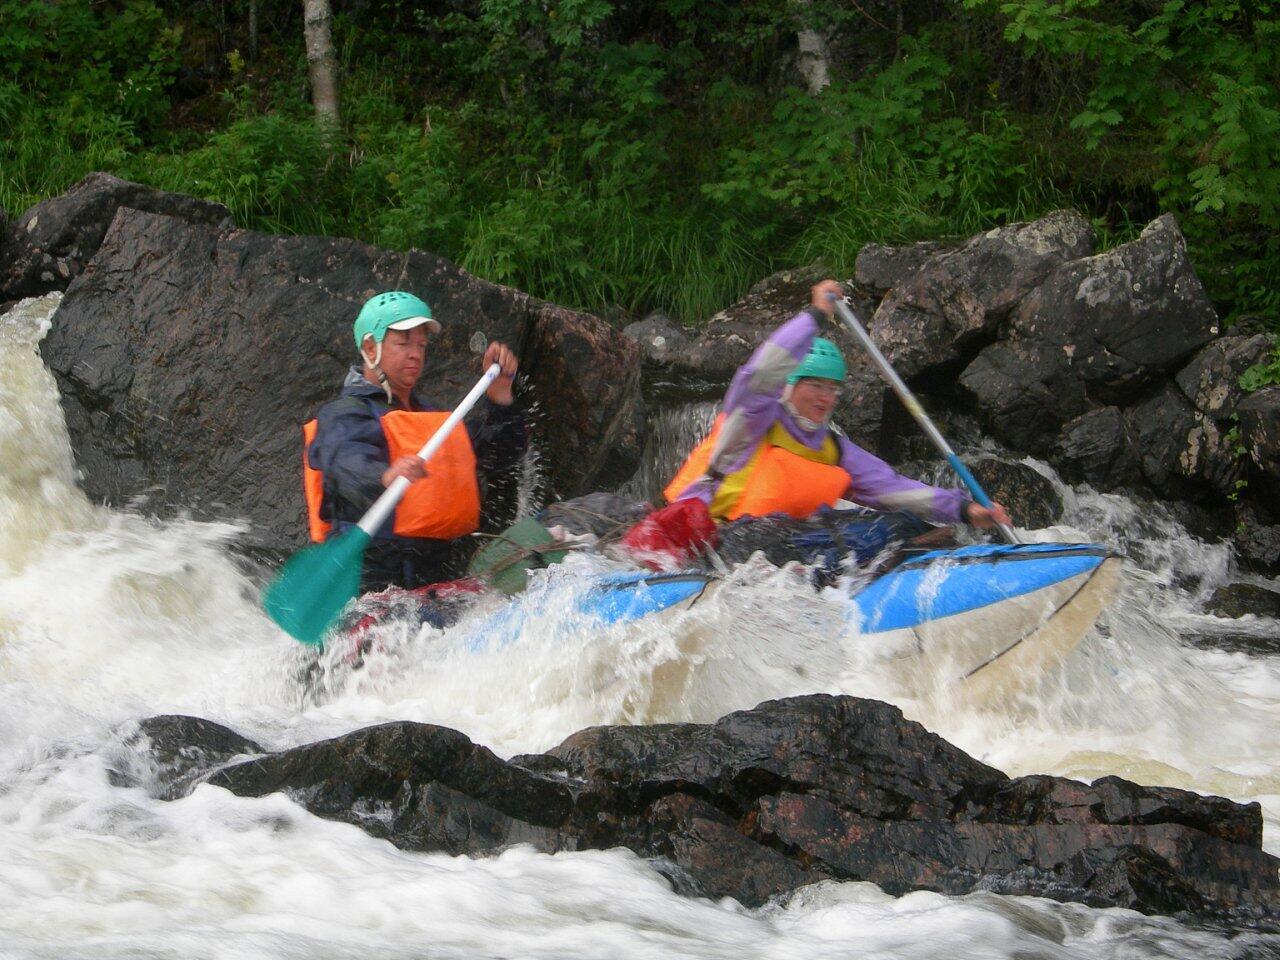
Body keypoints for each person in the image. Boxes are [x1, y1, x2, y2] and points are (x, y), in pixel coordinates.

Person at [664, 279, 1012, 531]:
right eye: (815, 385)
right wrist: (814, 317)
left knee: (895, 527)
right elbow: (763, 370)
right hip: (706, 535)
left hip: (770, 559)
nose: (824, 398)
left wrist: (965, 509)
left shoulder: (832, 449)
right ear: (789, 386)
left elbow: (893, 489)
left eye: (832, 389)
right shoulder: (753, 419)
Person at [304, 290, 526, 592]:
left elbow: (500, 456)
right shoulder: (344, 415)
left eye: (421, 344)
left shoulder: (435, 417)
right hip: (370, 578)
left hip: (437, 574)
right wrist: (384, 475)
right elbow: (345, 462)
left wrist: (500, 398)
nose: (416, 353)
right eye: (403, 342)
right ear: (371, 348)